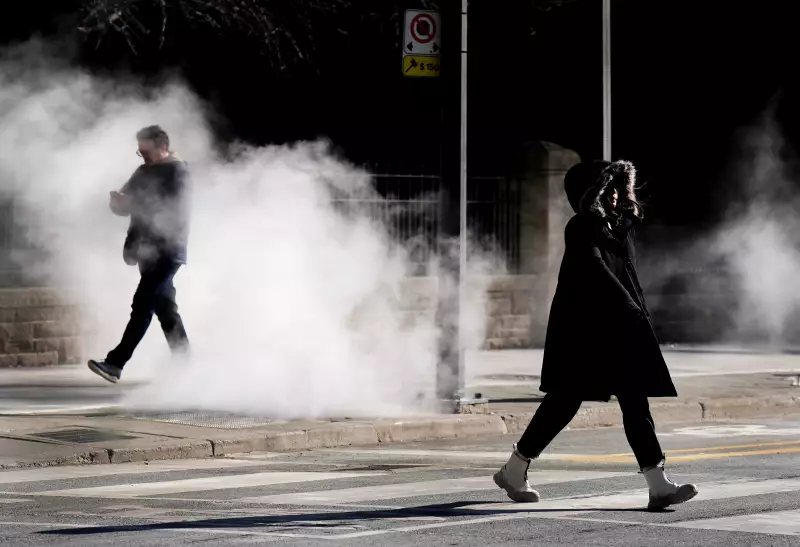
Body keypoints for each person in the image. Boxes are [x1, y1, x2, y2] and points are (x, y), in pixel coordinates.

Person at [493, 159, 698, 511]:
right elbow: (596, 270)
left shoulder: (623, 227)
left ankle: (658, 483)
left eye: (619, 186)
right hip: (583, 332)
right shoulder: (579, 228)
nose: (615, 194)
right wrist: (629, 307)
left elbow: (628, 275)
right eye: (608, 187)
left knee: (634, 399)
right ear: (591, 193)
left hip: (619, 328)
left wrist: (636, 312)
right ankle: (515, 468)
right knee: (564, 402)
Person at [88, 125, 191, 383]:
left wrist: (132, 203)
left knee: (143, 303)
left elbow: (170, 209)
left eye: (146, 152)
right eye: (140, 152)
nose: (143, 157)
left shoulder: (178, 171)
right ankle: (186, 365)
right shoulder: (143, 171)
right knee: (166, 310)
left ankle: (115, 363)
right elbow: (127, 205)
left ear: (162, 147)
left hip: (167, 250)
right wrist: (117, 204)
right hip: (146, 250)